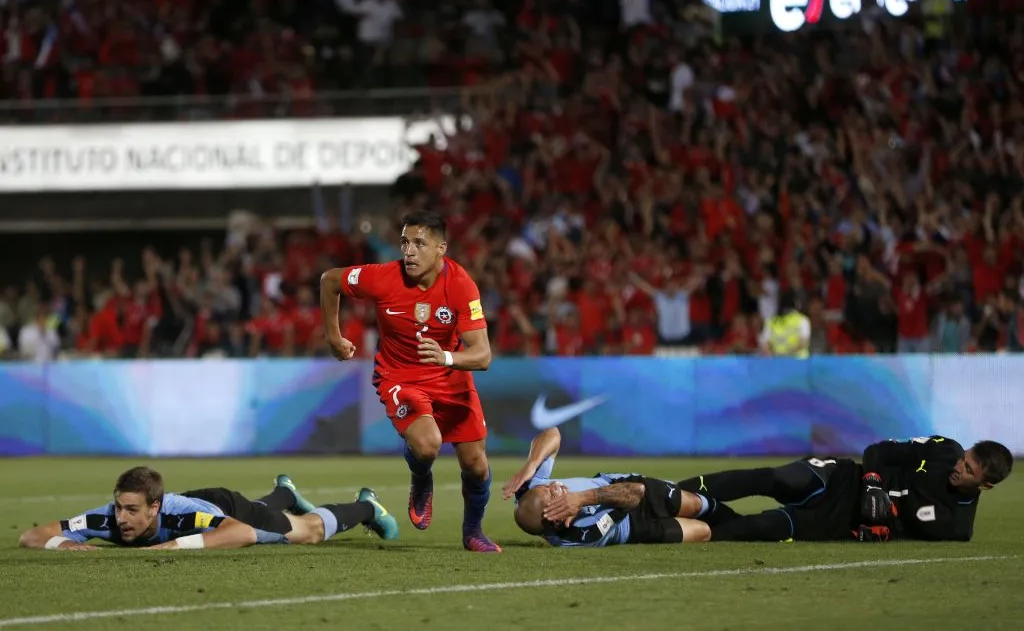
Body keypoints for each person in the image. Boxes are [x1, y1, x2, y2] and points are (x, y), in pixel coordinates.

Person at [319, 210, 501, 552]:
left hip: (450, 377)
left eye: (419, 243)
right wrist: (333, 336)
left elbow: (483, 355)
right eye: (404, 243)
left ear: (441, 248)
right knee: (428, 443)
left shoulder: (461, 285)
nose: (409, 251)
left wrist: (446, 357)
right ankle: (421, 477)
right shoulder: (383, 277)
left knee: (476, 465)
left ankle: (473, 532)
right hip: (399, 377)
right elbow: (330, 280)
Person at [675, 436, 1013, 542]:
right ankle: (670, 493)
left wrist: (880, 531)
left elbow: (902, 530)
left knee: (758, 527)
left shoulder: (957, 528)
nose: (959, 467)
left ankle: (686, 521)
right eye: (965, 459)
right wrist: (873, 482)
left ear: (985, 485)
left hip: (839, 521)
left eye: (969, 470)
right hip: (843, 477)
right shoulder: (945, 449)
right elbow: (878, 450)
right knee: (772, 478)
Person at [17, 467, 398, 550]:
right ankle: (284, 492)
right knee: (270, 509)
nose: (121, 518)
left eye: (131, 510)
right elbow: (31, 536)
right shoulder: (107, 518)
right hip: (207, 507)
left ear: (154, 507)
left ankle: (366, 507)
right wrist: (65, 544)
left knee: (306, 531)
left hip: (226, 507)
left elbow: (241, 532)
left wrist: (174, 546)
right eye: (119, 508)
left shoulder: (181, 514)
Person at [502, 427, 713, 547]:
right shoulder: (581, 535)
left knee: (697, 504)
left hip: (619, 486)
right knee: (704, 531)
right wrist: (581, 499)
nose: (555, 487)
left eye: (547, 487)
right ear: (555, 519)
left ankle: (710, 500)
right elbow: (632, 497)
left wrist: (532, 464)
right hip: (633, 524)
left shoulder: (529, 489)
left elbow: (553, 433)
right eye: (552, 495)